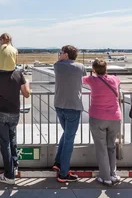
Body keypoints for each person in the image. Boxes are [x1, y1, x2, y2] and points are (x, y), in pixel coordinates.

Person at [0, 67, 31, 184]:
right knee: (12, 138)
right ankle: (15, 165)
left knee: (4, 143)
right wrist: (26, 82)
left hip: (0, 112)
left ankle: (9, 175)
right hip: (14, 113)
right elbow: (26, 94)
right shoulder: (18, 74)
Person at [83, 58, 122, 186]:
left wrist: (91, 73)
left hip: (98, 117)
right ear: (106, 68)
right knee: (111, 146)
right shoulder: (114, 79)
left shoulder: (91, 80)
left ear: (94, 69)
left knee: (101, 148)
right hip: (115, 117)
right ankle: (113, 174)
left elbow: (81, 80)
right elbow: (117, 81)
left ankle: (105, 177)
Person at [52, 45, 86, 183]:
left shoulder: (57, 66)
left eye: (61, 53)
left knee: (66, 134)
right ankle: (63, 173)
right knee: (69, 139)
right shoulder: (80, 67)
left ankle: (59, 163)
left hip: (59, 105)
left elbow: (59, 63)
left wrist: (61, 58)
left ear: (65, 54)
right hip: (73, 106)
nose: (59, 55)